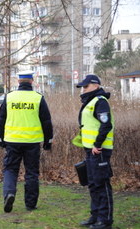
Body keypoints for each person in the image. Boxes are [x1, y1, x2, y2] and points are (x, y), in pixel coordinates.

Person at [0, 70, 53, 213]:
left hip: (12, 140)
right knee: (32, 172)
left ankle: (9, 193)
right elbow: (46, 121)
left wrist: (0, 138)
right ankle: (30, 204)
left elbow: (1, 120)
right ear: (32, 81)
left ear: (18, 81)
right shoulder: (38, 98)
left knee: (10, 169)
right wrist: (48, 141)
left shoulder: (9, 97)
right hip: (32, 142)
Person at [76, 74, 114, 229]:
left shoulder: (100, 101)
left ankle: (105, 221)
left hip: (99, 150)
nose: (83, 89)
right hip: (91, 151)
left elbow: (106, 125)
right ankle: (95, 216)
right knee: (92, 184)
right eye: (82, 87)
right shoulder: (90, 101)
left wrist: (97, 144)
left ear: (96, 85)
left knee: (102, 184)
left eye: (86, 86)